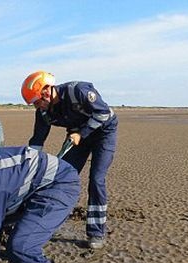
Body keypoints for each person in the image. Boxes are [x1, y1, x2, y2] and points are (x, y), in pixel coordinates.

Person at [21, 71, 118, 249]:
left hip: (103, 133)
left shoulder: (78, 91)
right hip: (77, 136)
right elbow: (37, 141)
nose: (37, 107)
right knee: (61, 176)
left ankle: (96, 233)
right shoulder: (43, 113)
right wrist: (28, 168)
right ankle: (45, 225)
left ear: (46, 91)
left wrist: (82, 134)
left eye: (37, 101)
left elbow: (103, 114)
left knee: (96, 179)